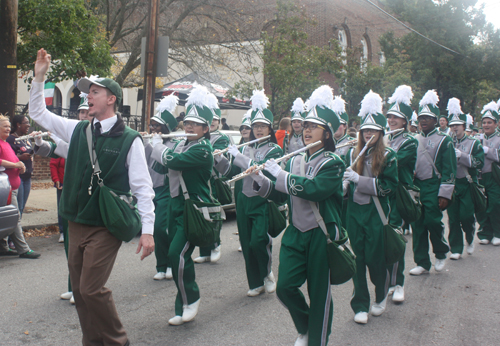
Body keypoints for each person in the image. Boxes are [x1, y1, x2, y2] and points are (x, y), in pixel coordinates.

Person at [29, 49, 155, 346]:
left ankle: (117, 340)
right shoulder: (79, 129)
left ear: (111, 98)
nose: (88, 97)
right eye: (88, 92)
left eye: (94, 92)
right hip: (75, 223)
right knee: (80, 292)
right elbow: (38, 113)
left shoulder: (130, 140)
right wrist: (39, 77)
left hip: (105, 225)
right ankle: (92, 342)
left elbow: (142, 188)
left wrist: (147, 231)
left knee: (90, 288)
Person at [251, 85, 345, 346]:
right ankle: (305, 326)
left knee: (319, 293)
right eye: (305, 125)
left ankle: (318, 339)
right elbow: (283, 195)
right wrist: (262, 182)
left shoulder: (333, 163)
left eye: (313, 127)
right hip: (296, 233)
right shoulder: (294, 160)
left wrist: (281, 176)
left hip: (321, 234)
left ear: (326, 134)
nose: (306, 130)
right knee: (284, 288)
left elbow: (315, 190)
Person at [150, 84, 215, 326]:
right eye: (186, 123)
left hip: (193, 209)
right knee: (176, 254)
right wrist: (149, 144)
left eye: (195, 124)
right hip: (176, 206)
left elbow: (173, 161)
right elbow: (160, 167)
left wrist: (158, 147)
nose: (188, 127)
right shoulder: (181, 143)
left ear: (205, 129)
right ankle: (184, 304)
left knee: (177, 253)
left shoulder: (203, 149)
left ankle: (191, 298)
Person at [215, 89, 282, 298]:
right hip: (242, 200)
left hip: (262, 200)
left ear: (269, 129)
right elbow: (232, 172)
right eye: (256, 126)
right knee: (246, 242)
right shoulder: (245, 148)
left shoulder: (274, 149)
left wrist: (240, 156)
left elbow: (259, 169)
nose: (259, 130)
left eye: (262, 126)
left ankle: (268, 273)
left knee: (258, 240)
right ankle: (255, 282)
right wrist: (220, 159)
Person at [343, 90, 398, 324]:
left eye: (373, 131)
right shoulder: (350, 152)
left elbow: (389, 188)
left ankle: (381, 294)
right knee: (358, 259)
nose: (368, 135)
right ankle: (360, 305)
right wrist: (344, 185)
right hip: (354, 213)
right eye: (365, 131)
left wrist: (360, 181)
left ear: (380, 133)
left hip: (376, 213)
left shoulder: (389, 156)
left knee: (376, 259)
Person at [410, 90, 456, 276]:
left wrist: (445, 193)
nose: (423, 121)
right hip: (417, 186)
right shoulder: (414, 140)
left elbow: (449, 168)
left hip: (434, 185)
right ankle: (422, 262)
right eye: (421, 117)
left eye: (428, 118)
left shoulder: (445, 140)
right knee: (417, 224)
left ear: (436, 120)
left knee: (433, 222)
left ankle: (440, 252)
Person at [385, 85, 418, 303]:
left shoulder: (410, 141)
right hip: (381, 193)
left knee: (395, 236)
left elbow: (393, 162)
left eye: (396, 118)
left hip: (398, 193)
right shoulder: (383, 137)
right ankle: (387, 281)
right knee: (382, 237)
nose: (391, 120)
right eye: (389, 117)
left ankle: (399, 283)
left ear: (405, 121)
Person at [144, 95, 180, 281]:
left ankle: (170, 264)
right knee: (154, 230)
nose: (153, 129)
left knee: (162, 228)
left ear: (165, 128)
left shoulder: (174, 143)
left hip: (167, 190)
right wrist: (144, 142)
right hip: (151, 190)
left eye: (157, 126)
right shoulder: (150, 141)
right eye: (151, 125)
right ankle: (161, 265)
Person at [194, 93, 229, 264]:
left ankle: (216, 245)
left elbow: (220, 157)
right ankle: (204, 249)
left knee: (214, 212)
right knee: (201, 212)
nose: (213, 122)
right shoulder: (199, 136)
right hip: (200, 179)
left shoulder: (222, 137)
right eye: (211, 119)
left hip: (213, 180)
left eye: (216, 119)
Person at [446, 100, 484, 259]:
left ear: (464, 126)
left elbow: (479, 163)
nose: (455, 128)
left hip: (467, 183)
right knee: (453, 218)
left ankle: (469, 236)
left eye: (458, 125)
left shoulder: (473, 142)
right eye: (452, 125)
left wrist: (463, 156)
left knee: (467, 216)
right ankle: (455, 248)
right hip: (452, 184)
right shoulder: (447, 142)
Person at [0, 115, 41, 258]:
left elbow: (14, 159)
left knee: (8, 217)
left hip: (13, 186)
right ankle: (23, 249)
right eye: (5, 126)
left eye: (8, 126)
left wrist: (21, 165)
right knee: (15, 217)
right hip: (6, 188)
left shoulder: (5, 143)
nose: (8, 128)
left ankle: (3, 246)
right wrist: (15, 164)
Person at [476, 101, 500, 246]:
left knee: (495, 204)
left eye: (489, 122)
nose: (486, 125)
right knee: (482, 205)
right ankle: (485, 232)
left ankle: (498, 232)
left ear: (496, 124)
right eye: (484, 122)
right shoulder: (478, 138)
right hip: (480, 176)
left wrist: (489, 152)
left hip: (495, 176)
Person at [7, 115, 34, 216]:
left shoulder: (27, 138)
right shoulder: (11, 139)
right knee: (18, 206)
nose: (28, 125)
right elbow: (8, 156)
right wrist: (20, 157)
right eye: (26, 123)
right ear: (18, 125)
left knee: (22, 206)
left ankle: (16, 229)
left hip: (27, 176)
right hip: (18, 176)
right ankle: (15, 230)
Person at [50, 153, 65, 243]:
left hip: (75, 183)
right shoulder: (60, 147)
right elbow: (53, 164)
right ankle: (62, 232)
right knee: (62, 207)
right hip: (63, 183)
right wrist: (56, 179)